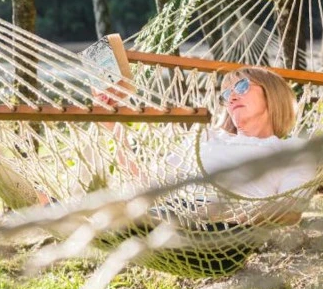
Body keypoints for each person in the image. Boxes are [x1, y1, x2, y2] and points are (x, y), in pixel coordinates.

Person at [98, 66, 319, 225]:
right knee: (108, 213)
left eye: (242, 86)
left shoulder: (293, 151)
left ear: (272, 93)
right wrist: (112, 126)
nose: (232, 97)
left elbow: (290, 210)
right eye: (227, 94)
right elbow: (145, 183)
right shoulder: (206, 137)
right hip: (173, 212)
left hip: (224, 231)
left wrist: (221, 213)